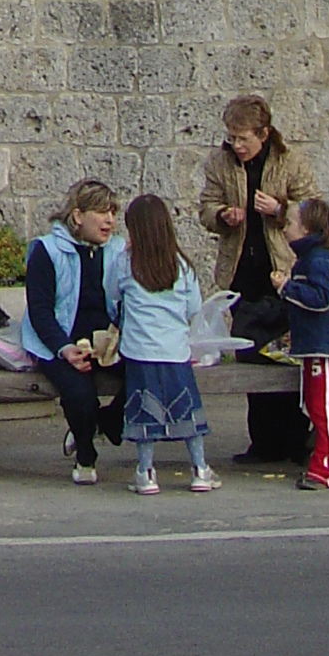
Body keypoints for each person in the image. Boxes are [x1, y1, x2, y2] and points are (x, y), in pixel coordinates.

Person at [197, 94, 319, 465]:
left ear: (264, 133)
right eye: (233, 137)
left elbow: (313, 209)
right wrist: (222, 216)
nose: (238, 145)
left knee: (285, 359)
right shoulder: (221, 163)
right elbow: (205, 207)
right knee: (251, 359)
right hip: (243, 275)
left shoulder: (289, 161)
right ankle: (263, 443)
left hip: (283, 273)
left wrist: (280, 210)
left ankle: (295, 440)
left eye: (244, 138)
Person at [19, 179, 129, 484]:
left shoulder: (118, 250)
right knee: (79, 392)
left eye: (113, 213)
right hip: (60, 340)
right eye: (102, 212)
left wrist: (118, 337)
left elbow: (127, 300)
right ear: (78, 216)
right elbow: (40, 312)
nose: (110, 220)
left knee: (147, 373)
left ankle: (105, 422)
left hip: (107, 340)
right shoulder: (47, 250)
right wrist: (66, 349)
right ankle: (85, 453)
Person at [112, 193, 218, 493]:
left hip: (139, 351)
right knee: (186, 407)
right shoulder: (181, 266)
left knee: (144, 410)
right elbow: (193, 307)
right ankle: (199, 468)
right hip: (175, 351)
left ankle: (146, 472)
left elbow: (112, 295)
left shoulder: (125, 263)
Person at [278, 197, 329, 490]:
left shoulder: (321, 260)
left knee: (323, 408)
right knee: (315, 404)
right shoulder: (308, 260)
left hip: (326, 347)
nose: (285, 229)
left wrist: (287, 288)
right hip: (313, 346)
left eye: (291, 223)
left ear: (307, 229)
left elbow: (322, 299)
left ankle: (323, 464)